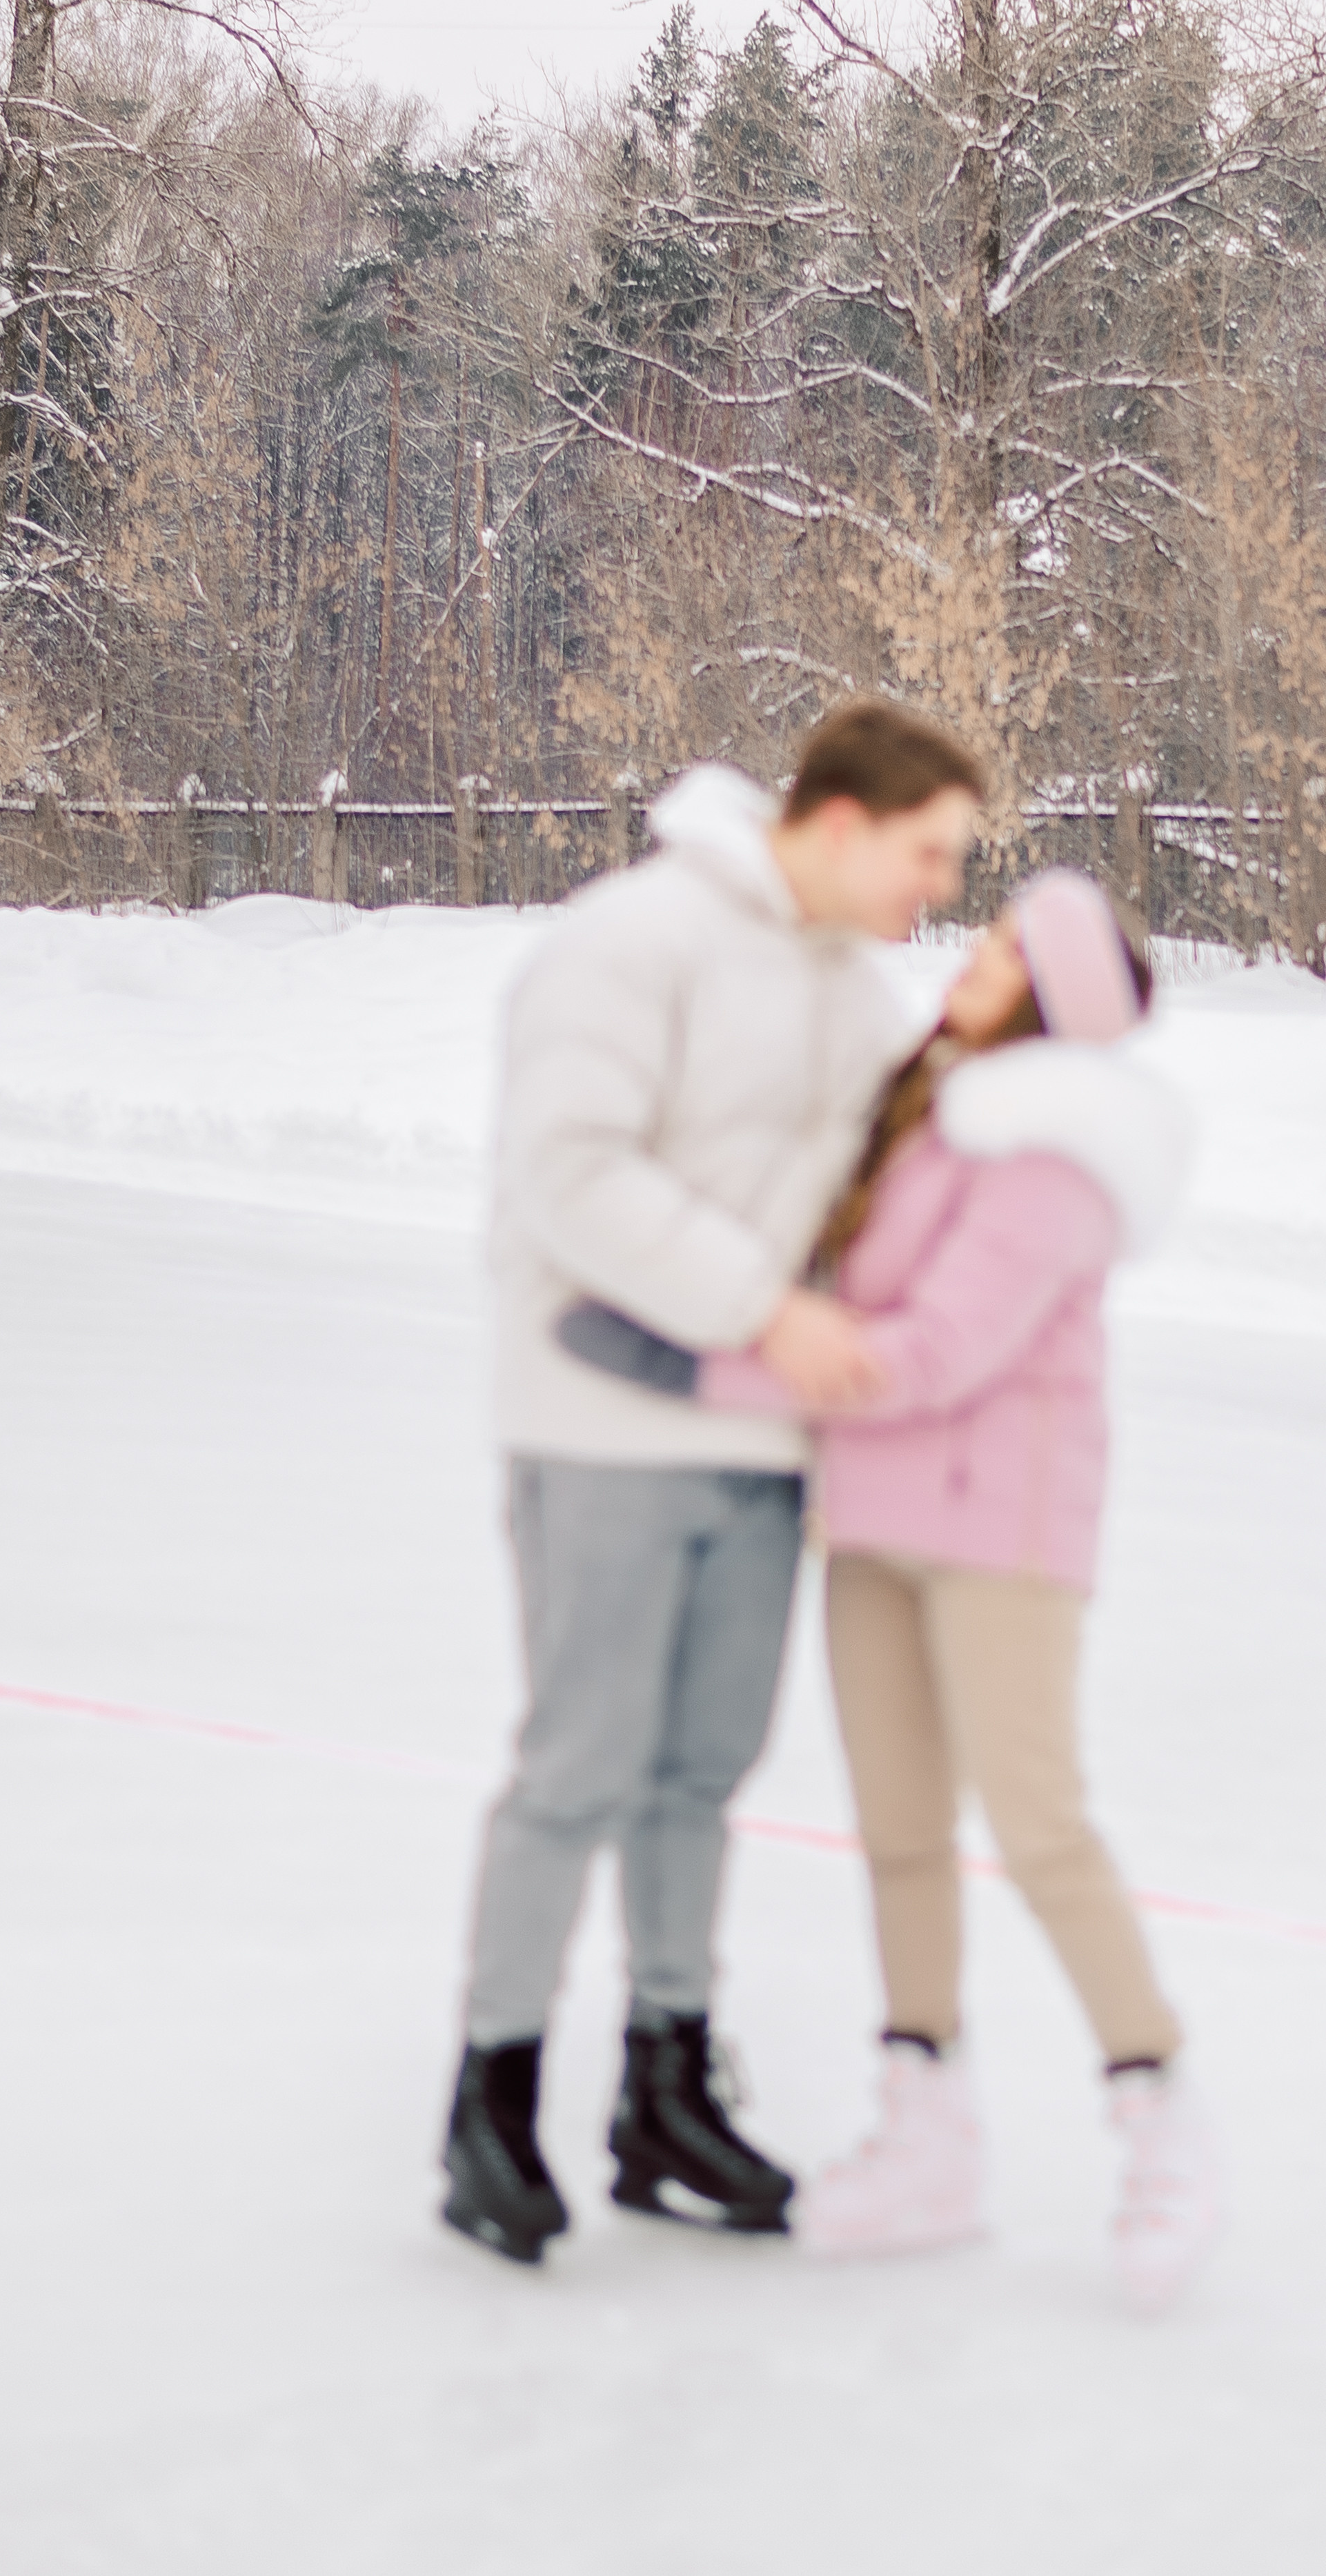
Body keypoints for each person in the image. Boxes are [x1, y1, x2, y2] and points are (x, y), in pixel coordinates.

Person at [566, 871, 1218, 2310]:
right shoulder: (930, 1114)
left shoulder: (1054, 1159)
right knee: (902, 1832)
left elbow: (923, 1352)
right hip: (873, 1516)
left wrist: (694, 1366)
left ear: (1050, 996)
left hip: (1001, 1530)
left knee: (1039, 1822)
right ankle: (928, 2130)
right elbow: (838, 1296)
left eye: (1002, 950)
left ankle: (1159, 2113)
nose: (968, 958)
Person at [442, 701, 984, 2265]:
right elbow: (575, 1169)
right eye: (927, 850)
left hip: (761, 1441)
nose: (938, 888)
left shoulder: (856, 989)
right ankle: (492, 2093)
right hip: (605, 1423)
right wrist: (766, 1309)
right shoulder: (634, 940)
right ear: (836, 821)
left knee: (700, 1771)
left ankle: (663, 2085)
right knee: (582, 1762)